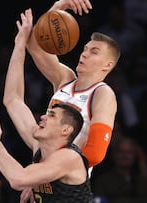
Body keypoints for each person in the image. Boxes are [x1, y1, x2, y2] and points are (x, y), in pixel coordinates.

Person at [0, 8, 91, 202]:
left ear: (66, 130)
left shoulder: (69, 158)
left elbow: (18, 179)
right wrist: (19, 44)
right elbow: (12, 99)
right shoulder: (41, 146)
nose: (42, 116)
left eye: (52, 115)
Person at [25, 0, 121, 170]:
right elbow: (34, 46)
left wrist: (51, 171)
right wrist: (58, 8)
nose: (84, 54)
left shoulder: (102, 93)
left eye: (94, 52)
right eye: (85, 49)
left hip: (69, 186)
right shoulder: (65, 79)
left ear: (107, 65)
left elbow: (96, 153)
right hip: (44, 173)